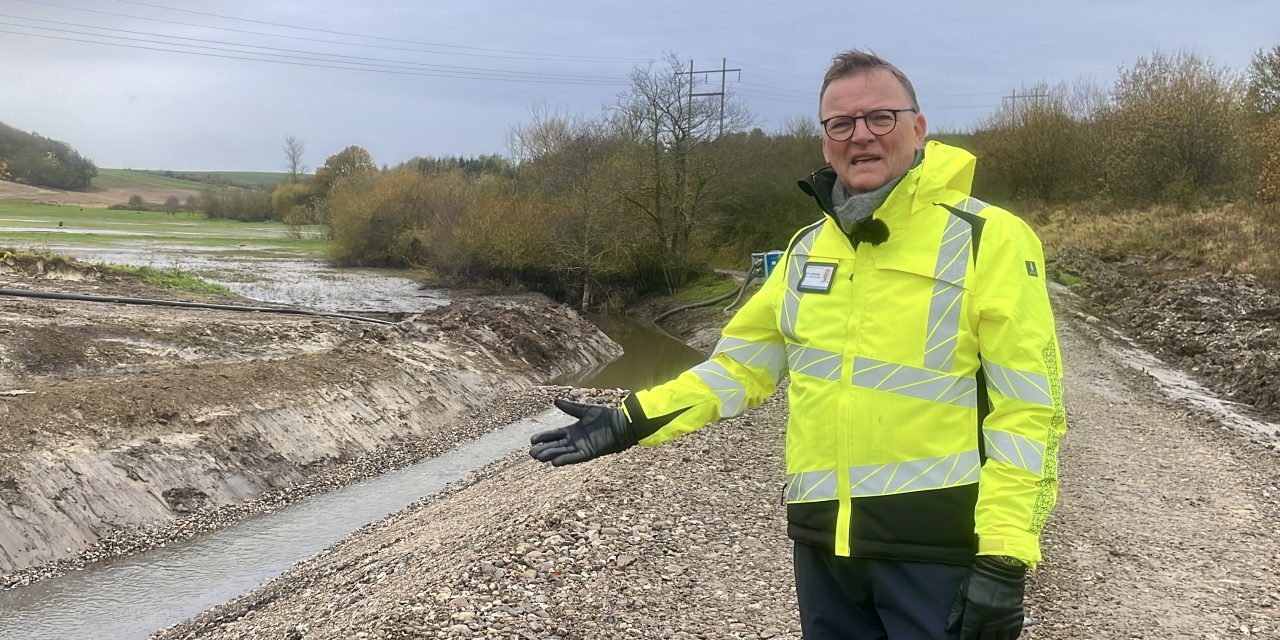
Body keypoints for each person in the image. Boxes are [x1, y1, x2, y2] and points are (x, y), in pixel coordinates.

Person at [530, 49, 1066, 640]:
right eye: (841, 123)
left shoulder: (988, 237)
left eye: (880, 117)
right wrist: (630, 420)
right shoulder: (807, 249)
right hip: (822, 547)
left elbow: (1030, 412)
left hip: (937, 547)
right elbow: (737, 370)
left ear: (918, 128)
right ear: (825, 141)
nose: (860, 135)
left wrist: (1004, 555)